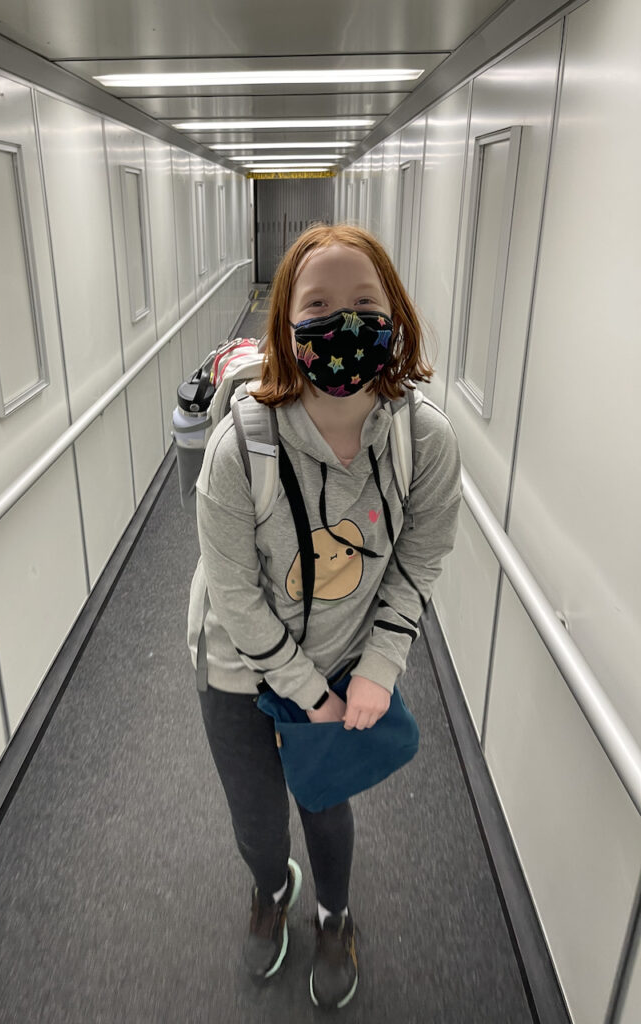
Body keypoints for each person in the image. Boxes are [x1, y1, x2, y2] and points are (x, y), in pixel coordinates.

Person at [187, 223, 462, 1010]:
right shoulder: (241, 447)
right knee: (257, 820)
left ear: (395, 315)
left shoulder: (425, 441)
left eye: (364, 303)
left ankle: (335, 915)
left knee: (324, 801)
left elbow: (418, 562)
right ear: (285, 323)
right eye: (318, 304)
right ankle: (271, 890)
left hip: (343, 657)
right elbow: (236, 594)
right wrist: (308, 693)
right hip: (236, 665)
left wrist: (378, 668)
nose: (344, 322)